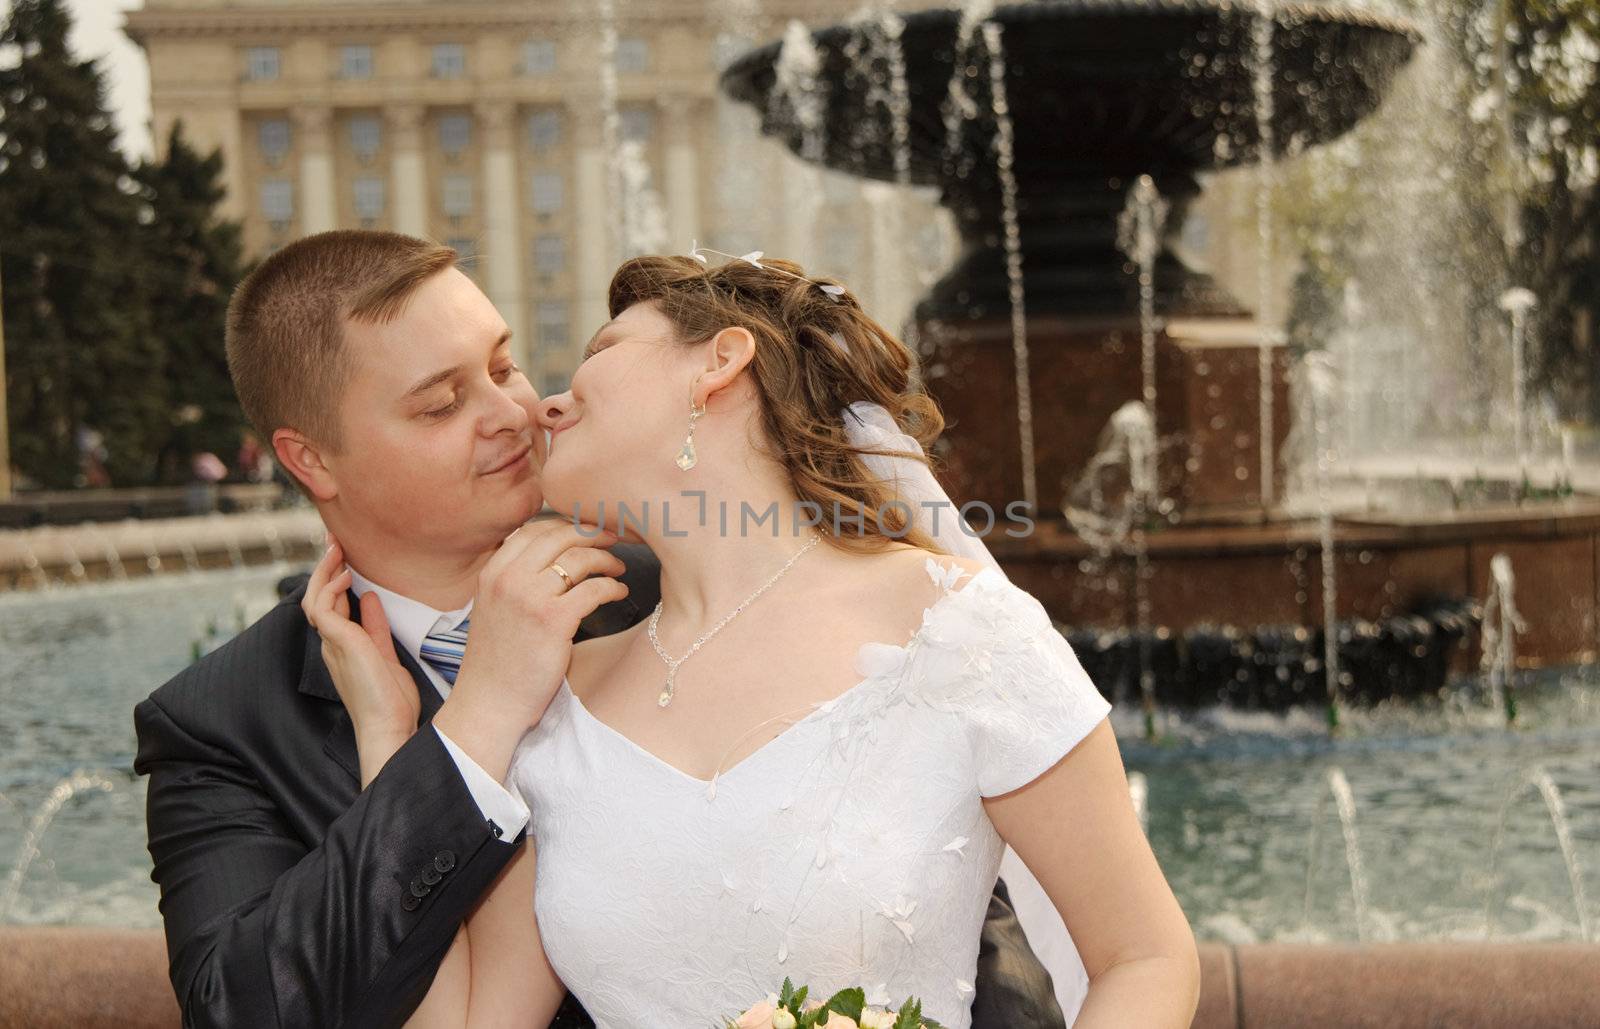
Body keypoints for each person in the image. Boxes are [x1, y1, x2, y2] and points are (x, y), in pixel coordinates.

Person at [134, 230, 1068, 1028]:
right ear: (311, 459)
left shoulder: (716, 591)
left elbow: (958, 918)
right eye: (441, 402)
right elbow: (243, 1006)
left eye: (501, 365)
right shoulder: (220, 722)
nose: (511, 413)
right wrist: (466, 727)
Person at [310, 251, 1201, 1027]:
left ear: (720, 362)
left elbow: (1145, 959)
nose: (544, 403)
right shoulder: (554, 691)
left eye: (601, 352)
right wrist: (393, 741)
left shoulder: (956, 627)